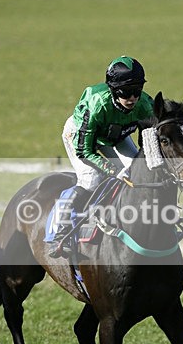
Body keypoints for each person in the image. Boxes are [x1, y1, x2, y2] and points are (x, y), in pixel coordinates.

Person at [47, 56, 155, 258]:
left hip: (114, 135)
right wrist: (113, 170)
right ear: (114, 90)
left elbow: (149, 145)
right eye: (126, 92)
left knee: (137, 171)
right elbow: (85, 151)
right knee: (91, 179)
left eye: (137, 90)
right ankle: (59, 234)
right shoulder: (96, 105)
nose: (132, 98)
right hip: (80, 136)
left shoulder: (146, 104)